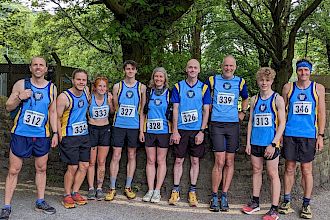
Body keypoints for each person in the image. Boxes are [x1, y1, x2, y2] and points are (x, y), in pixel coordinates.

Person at [0, 56, 58, 219]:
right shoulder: (21, 84)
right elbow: (8, 106)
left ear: (46, 69)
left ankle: (40, 201)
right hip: (21, 134)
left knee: (41, 168)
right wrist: (20, 97)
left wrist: (55, 133)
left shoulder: (52, 88)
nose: (38, 67)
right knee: (13, 170)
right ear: (30, 68)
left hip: (41, 135)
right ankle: (6, 206)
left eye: (41, 65)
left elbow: (52, 112)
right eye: (35, 65)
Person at [279, 59, 325, 219]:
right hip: (290, 134)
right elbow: (282, 113)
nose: (303, 73)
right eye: (300, 70)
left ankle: (306, 204)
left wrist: (320, 136)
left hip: (309, 135)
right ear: (296, 71)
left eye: (306, 70)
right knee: (289, 168)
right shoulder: (288, 87)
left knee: (307, 170)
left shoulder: (318, 88)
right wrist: (280, 134)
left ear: (310, 71)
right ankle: (286, 200)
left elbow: (321, 114)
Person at [241, 67, 285, 220]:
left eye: (267, 80)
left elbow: (282, 124)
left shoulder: (277, 99)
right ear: (258, 81)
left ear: (272, 81)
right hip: (255, 143)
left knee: (273, 174)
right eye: (261, 80)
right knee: (256, 170)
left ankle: (274, 209)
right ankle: (255, 202)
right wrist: (248, 143)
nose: (264, 83)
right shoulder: (254, 99)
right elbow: (251, 122)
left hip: (270, 144)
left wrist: (273, 144)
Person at [207, 55, 249, 212]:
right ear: (221, 66)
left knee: (230, 161)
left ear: (235, 67)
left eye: (231, 66)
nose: (228, 68)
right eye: (226, 65)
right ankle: (214, 196)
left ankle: (224, 195)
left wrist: (243, 112)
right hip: (217, 124)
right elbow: (205, 98)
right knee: (219, 161)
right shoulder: (212, 80)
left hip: (232, 125)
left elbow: (246, 98)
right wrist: (208, 107)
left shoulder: (240, 82)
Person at [168, 59, 211, 207]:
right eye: (190, 67)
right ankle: (175, 191)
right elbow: (175, 109)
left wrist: (202, 131)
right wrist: (174, 131)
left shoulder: (204, 88)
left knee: (195, 161)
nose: (192, 70)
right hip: (181, 131)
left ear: (199, 70)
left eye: (195, 68)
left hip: (196, 131)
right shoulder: (178, 86)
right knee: (178, 160)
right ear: (186, 69)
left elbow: (206, 110)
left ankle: (192, 191)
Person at [105, 60, 146, 201]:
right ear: (124, 71)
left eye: (132, 69)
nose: (130, 71)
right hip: (119, 125)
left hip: (134, 127)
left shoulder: (142, 88)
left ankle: (128, 187)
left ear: (136, 71)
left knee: (131, 155)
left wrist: (141, 131)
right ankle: (112, 188)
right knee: (116, 155)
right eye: (127, 69)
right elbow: (115, 108)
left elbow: (142, 111)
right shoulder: (117, 87)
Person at [57, 69, 90, 209]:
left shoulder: (86, 92)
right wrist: (59, 136)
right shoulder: (64, 97)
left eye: (84, 80)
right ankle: (66, 194)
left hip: (84, 135)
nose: (81, 82)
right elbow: (57, 117)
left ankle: (75, 191)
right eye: (78, 79)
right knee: (72, 166)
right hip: (69, 136)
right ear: (73, 80)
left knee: (84, 166)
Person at [139, 67, 171, 203]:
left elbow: (174, 113)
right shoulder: (148, 92)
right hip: (149, 130)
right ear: (153, 78)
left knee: (161, 161)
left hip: (164, 131)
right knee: (150, 161)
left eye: (161, 77)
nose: (158, 79)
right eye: (156, 76)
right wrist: (141, 131)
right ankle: (150, 190)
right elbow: (142, 113)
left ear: (165, 79)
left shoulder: (169, 93)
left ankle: (157, 191)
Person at [86, 77, 114, 200]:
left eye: (104, 86)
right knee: (91, 162)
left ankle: (99, 187)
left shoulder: (108, 98)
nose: (102, 88)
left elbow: (113, 111)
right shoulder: (89, 97)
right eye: (100, 86)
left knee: (101, 161)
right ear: (95, 87)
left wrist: (111, 102)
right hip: (92, 129)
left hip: (105, 130)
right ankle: (91, 188)